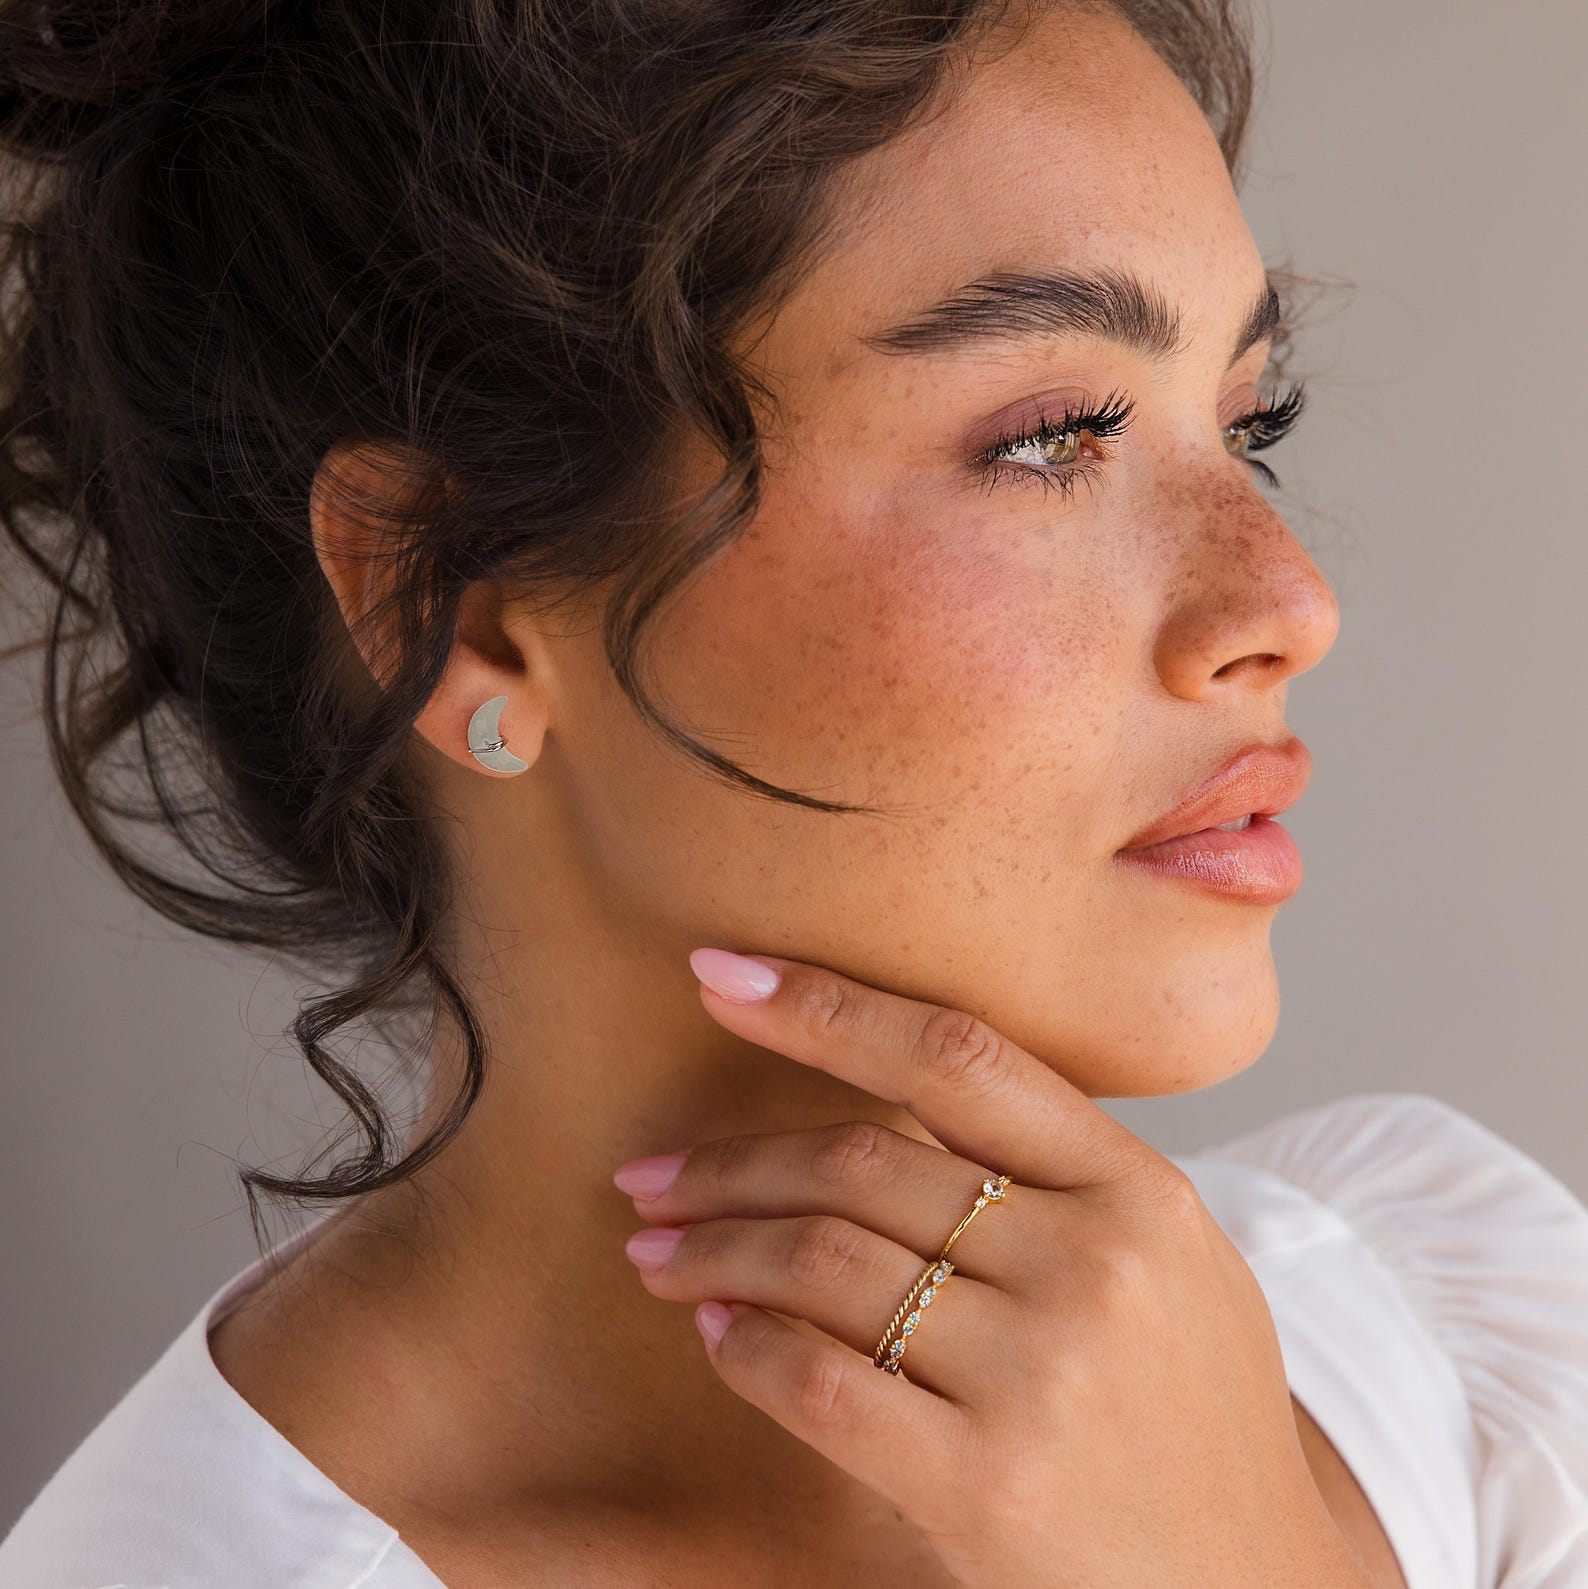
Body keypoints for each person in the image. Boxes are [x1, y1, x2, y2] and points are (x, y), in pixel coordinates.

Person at [2, 1, 1584, 1585]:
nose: (1289, 601)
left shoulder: (1431, 1343)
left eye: (1252, 427)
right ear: (458, 611)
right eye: (1051, 441)